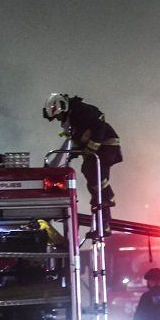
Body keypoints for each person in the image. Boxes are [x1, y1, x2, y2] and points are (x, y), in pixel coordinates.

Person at [43, 93, 123, 236]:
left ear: (63, 107)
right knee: (94, 188)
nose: (59, 119)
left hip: (107, 146)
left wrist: (92, 146)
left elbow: (99, 124)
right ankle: (103, 226)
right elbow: (76, 137)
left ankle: (109, 196)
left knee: (91, 171)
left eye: (58, 116)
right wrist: (71, 152)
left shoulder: (82, 110)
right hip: (97, 150)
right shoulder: (72, 118)